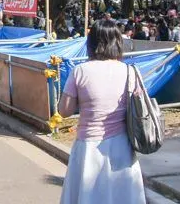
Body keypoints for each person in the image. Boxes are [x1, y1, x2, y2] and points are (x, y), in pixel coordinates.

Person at [58, 19, 146, 204]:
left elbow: (64, 111)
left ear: (91, 43)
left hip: (88, 147)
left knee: (88, 196)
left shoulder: (79, 71)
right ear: (118, 42)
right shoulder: (130, 71)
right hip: (122, 146)